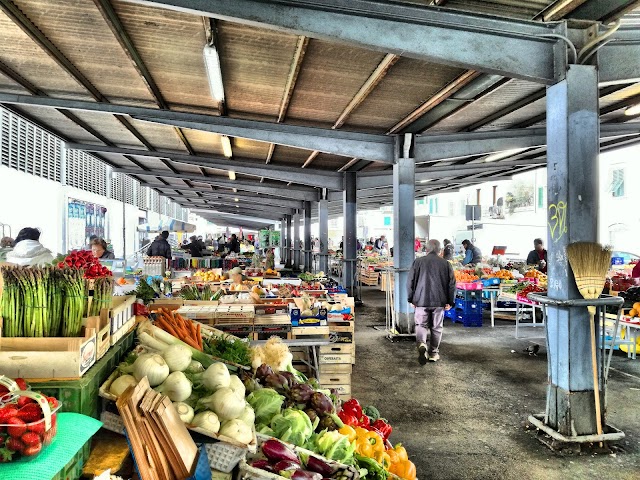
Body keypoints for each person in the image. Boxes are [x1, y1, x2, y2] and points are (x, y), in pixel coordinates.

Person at [408, 239, 456, 364]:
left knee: (421, 325)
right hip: (439, 301)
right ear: (440, 250)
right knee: (437, 327)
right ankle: (433, 353)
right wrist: (450, 301)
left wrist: (411, 298)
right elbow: (452, 284)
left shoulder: (417, 262)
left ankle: (422, 344)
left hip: (420, 300)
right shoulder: (446, 264)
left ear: (426, 249)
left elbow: (410, 282)